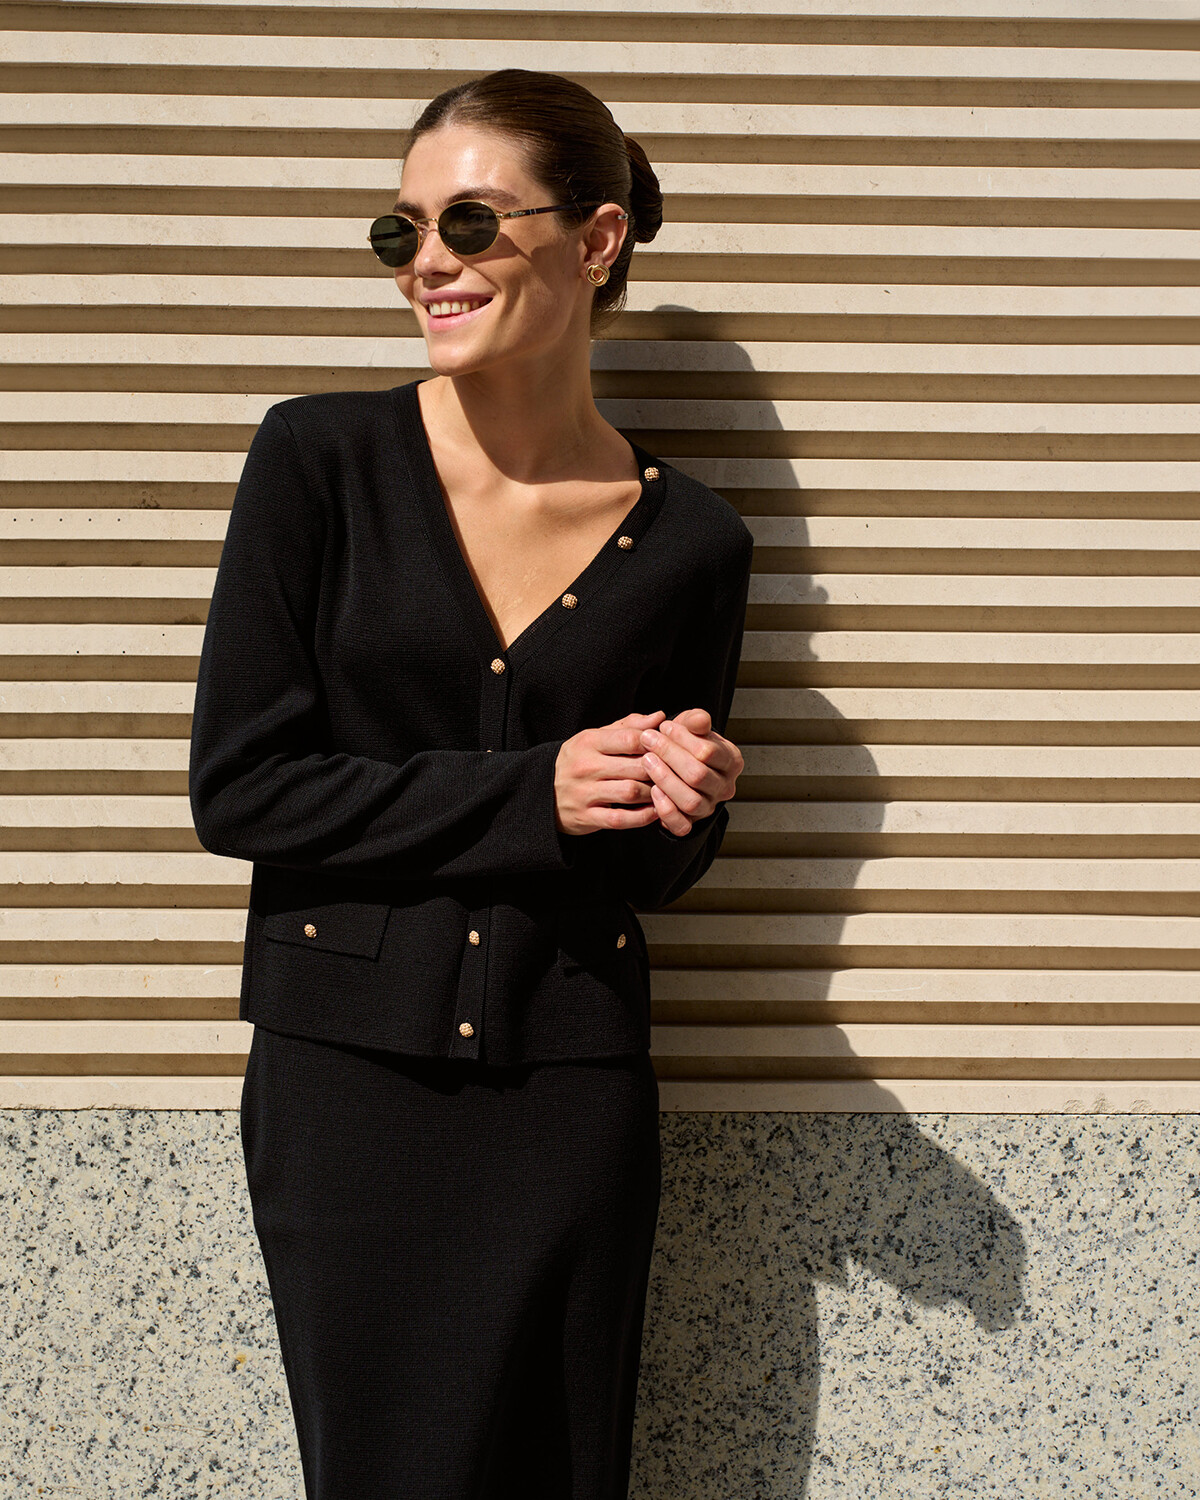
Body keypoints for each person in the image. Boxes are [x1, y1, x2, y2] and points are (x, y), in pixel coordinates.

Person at [188, 67, 754, 1500]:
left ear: (597, 240)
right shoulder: (319, 460)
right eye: (401, 231)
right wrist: (531, 792)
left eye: (470, 222)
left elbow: (645, 870)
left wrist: (683, 799)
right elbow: (241, 788)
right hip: (349, 1082)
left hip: (570, 1084)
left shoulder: (693, 542)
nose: (427, 262)